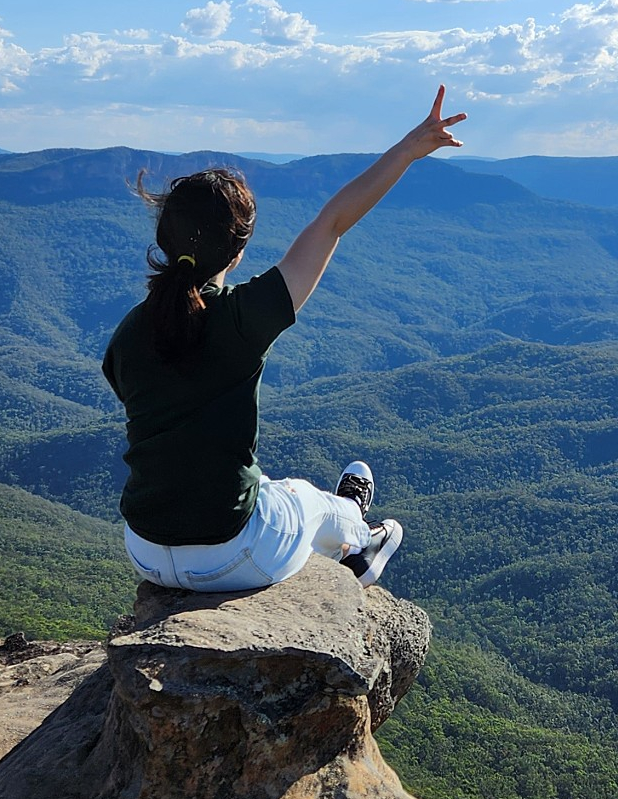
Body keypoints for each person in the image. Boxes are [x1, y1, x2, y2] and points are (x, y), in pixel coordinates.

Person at [102, 86, 467, 593]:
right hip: (231, 553)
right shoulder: (242, 318)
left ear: (165, 242)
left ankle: (341, 525)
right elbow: (332, 223)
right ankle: (360, 538)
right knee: (303, 497)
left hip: (145, 551)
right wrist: (409, 148)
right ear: (238, 250)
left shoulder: (127, 335)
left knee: (269, 488)